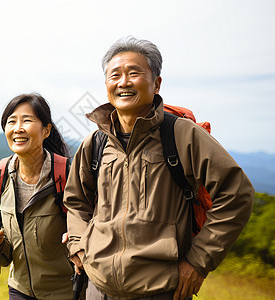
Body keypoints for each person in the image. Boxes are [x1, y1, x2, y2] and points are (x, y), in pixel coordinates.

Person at [63, 36, 255, 300]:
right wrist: (79, 245)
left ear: (156, 83)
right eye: (114, 75)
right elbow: (75, 200)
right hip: (99, 289)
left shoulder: (182, 135)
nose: (123, 82)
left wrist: (199, 261)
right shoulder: (95, 142)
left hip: (162, 291)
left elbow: (237, 193)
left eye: (134, 73)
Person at [0, 93, 73, 300]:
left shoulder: (67, 174)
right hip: (20, 290)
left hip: (66, 292)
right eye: (11, 122)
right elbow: (4, 252)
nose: (18, 128)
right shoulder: (0, 174)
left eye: (27, 120)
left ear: (46, 130)